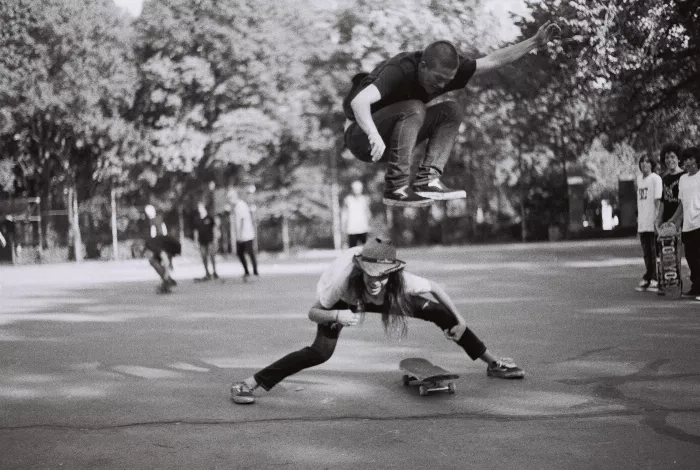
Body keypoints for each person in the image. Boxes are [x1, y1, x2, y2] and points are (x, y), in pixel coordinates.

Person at [230, 237, 524, 405]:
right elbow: (312, 312)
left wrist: (459, 320)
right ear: (361, 271)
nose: (375, 282)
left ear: (391, 275)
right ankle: (250, 383)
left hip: (387, 300)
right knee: (320, 352)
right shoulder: (342, 283)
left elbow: (435, 287)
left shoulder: (398, 281)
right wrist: (337, 314)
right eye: (370, 276)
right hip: (346, 304)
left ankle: (493, 363)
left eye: (381, 277)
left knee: (438, 311)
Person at [343, 22, 561, 207]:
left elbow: (492, 60)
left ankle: (427, 180)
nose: (441, 85)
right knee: (415, 107)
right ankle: (396, 187)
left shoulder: (451, 72)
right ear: (423, 66)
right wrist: (372, 133)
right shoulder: (401, 69)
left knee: (451, 110)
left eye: (447, 81)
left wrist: (533, 42)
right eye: (437, 78)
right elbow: (359, 102)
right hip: (360, 137)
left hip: (392, 139)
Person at [665, 147, 700, 300]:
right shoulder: (683, 179)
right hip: (688, 225)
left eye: (690, 159)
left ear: (696, 160)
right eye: (684, 159)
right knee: (691, 258)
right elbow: (681, 204)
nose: (686, 162)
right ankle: (696, 286)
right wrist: (673, 219)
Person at [654, 143, 685, 294]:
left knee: (683, 252)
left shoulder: (684, 176)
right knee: (664, 253)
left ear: (679, 158)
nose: (669, 160)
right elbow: (662, 202)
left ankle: (685, 281)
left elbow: (684, 202)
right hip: (667, 221)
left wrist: (676, 221)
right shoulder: (664, 179)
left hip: (681, 218)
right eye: (666, 157)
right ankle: (665, 281)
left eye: (672, 156)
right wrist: (658, 220)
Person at [635, 155, 662, 292]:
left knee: (653, 251)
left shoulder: (656, 179)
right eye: (642, 162)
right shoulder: (639, 179)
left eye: (647, 162)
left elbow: (658, 201)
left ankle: (655, 278)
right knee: (646, 252)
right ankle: (648, 275)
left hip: (652, 220)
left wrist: (657, 220)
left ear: (652, 164)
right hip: (642, 221)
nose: (644, 164)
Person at [143, 204, 181, 293]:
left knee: (159, 261)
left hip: (168, 245)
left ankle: (167, 281)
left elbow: (166, 262)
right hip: (161, 243)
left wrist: (167, 273)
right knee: (154, 261)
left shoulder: (157, 220)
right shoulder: (151, 243)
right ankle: (167, 280)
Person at [228, 188, 259, 280]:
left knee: (250, 253)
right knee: (241, 253)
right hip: (243, 234)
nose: (229, 200)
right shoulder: (237, 206)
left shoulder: (241, 205)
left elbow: (242, 220)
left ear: (234, 197)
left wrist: (239, 234)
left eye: (230, 198)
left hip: (246, 234)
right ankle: (247, 272)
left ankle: (255, 272)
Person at [341, 180, 372, 247]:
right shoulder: (347, 199)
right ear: (352, 189)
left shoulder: (365, 199)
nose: (357, 191)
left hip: (363, 227)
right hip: (352, 228)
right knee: (352, 250)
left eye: (358, 189)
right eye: (355, 189)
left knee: (365, 250)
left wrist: (369, 224)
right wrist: (343, 225)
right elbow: (344, 213)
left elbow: (368, 212)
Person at [194, 202, 219, 281]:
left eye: (201, 208)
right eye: (199, 208)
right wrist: (196, 241)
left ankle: (214, 272)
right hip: (202, 241)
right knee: (204, 256)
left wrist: (215, 239)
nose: (200, 209)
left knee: (212, 256)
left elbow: (214, 228)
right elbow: (196, 231)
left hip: (210, 240)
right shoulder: (197, 219)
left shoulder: (209, 218)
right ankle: (207, 272)